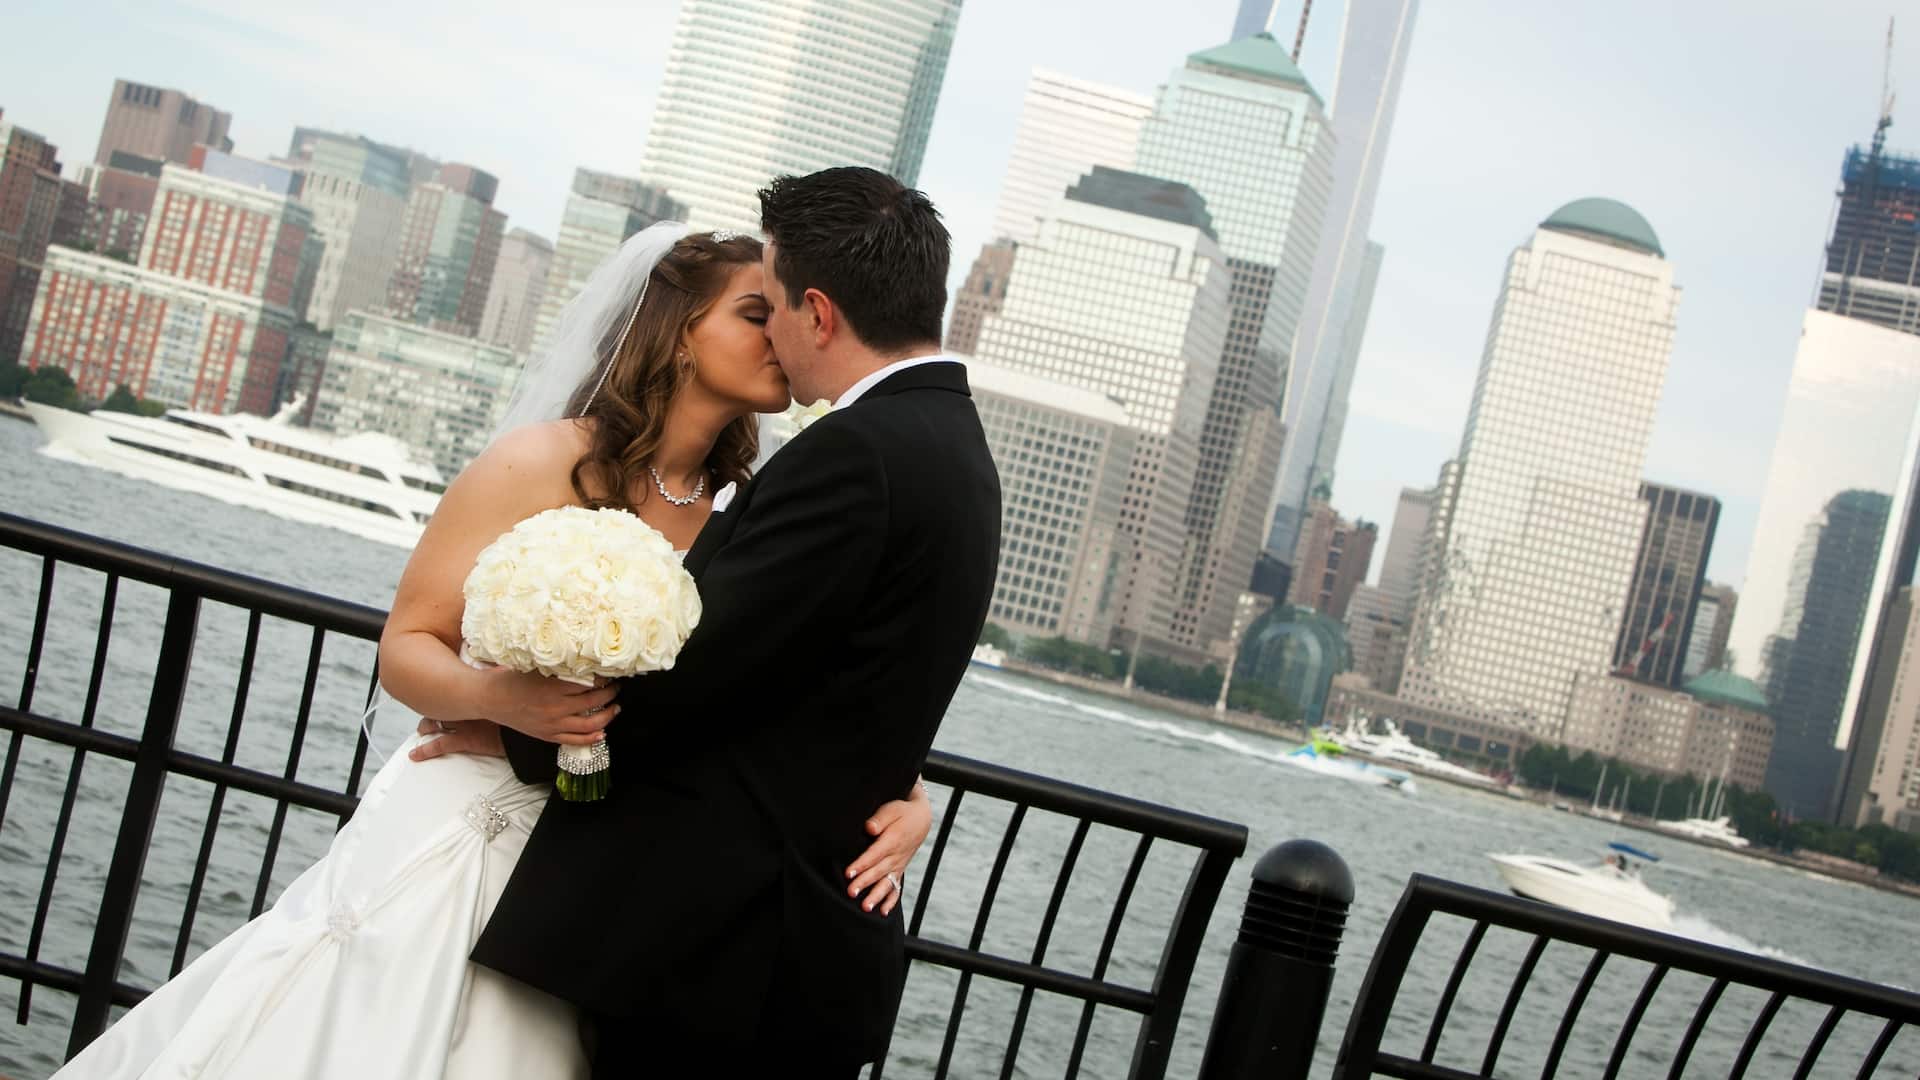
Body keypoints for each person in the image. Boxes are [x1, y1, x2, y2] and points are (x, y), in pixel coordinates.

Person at [51, 223, 935, 1080]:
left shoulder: (747, 506)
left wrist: (905, 792)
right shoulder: (542, 461)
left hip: (599, 854)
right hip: (470, 812)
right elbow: (407, 647)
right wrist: (502, 702)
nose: (782, 332)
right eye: (754, 312)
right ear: (677, 331)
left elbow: (781, 682)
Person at [463, 167, 1002, 1076]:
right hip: (791, 957)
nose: (773, 336)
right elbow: (842, 680)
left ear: (817, 314)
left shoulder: (856, 453)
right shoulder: (958, 453)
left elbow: (700, 671)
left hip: (724, 960)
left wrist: (518, 730)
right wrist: (907, 788)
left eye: (773, 308)